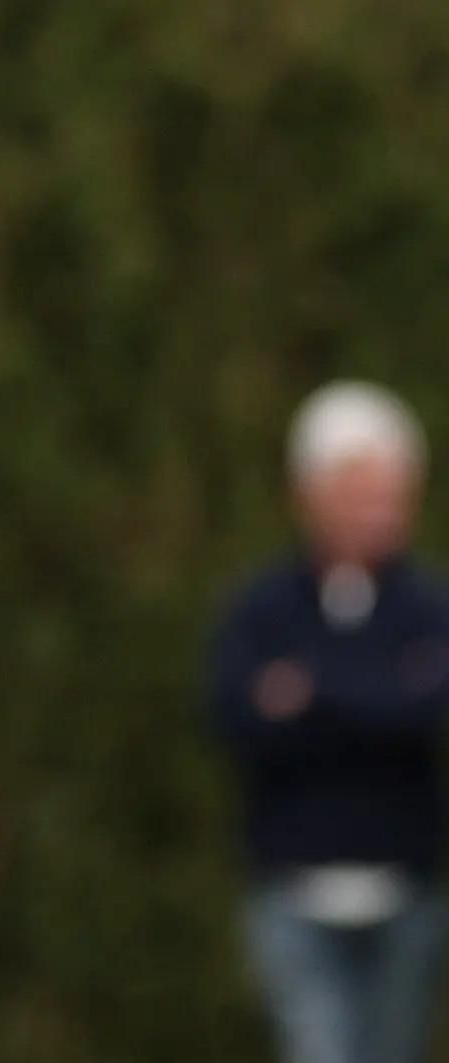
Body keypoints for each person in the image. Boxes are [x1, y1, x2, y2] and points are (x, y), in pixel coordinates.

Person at [208, 380, 449, 1063]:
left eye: (389, 492)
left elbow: (425, 708)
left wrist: (313, 691)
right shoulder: (262, 608)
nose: (376, 510)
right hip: (292, 893)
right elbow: (235, 717)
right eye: (359, 491)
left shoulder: (429, 607)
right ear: (310, 494)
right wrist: (378, 690)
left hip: (407, 893)